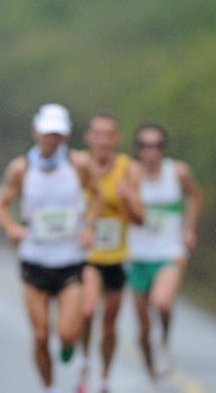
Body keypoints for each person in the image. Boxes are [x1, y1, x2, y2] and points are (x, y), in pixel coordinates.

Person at [0, 103, 102, 393]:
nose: (51, 139)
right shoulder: (21, 168)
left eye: (57, 134)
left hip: (70, 260)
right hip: (35, 260)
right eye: (46, 133)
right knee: (41, 335)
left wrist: (89, 226)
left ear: (65, 136)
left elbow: (97, 197)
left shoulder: (78, 165)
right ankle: (49, 387)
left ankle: (69, 345)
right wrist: (11, 227)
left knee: (67, 333)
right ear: (36, 132)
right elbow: (1, 206)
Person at [128, 123, 201, 384]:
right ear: (138, 150)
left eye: (157, 145)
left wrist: (189, 229)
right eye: (146, 146)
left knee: (162, 302)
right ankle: (151, 374)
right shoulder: (130, 175)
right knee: (143, 327)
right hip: (138, 256)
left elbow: (194, 196)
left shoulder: (177, 172)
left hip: (170, 251)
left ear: (163, 149)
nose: (151, 152)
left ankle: (165, 341)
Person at [77, 111, 144, 393]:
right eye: (98, 134)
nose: (103, 141)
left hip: (117, 255)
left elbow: (141, 218)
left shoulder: (128, 169)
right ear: (89, 138)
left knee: (108, 324)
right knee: (89, 308)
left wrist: (128, 199)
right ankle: (84, 360)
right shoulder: (78, 164)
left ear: (117, 139)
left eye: (109, 135)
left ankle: (104, 376)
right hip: (87, 255)